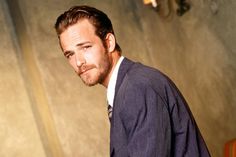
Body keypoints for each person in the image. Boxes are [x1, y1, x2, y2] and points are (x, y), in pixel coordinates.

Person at [54, 5, 211, 157]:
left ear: (109, 43)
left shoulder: (137, 87)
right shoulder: (125, 88)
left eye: (85, 47)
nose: (78, 62)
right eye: (70, 54)